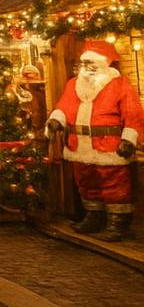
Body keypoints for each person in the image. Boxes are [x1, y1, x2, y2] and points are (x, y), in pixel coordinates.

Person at [45, 40, 144, 241]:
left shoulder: (120, 85)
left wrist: (129, 139)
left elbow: (133, 114)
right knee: (86, 181)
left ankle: (118, 222)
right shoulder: (73, 85)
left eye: (91, 63)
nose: (86, 67)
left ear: (104, 63)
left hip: (109, 145)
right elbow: (63, 107)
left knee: (114, 183)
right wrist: (56, 120)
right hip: (79, 145)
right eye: (84, 63)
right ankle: (95, 216)